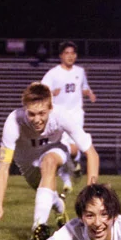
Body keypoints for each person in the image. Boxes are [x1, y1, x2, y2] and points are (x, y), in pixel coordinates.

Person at [0, 82, 100, 240]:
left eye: (42, 113)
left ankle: (38, 227)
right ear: (25, 108)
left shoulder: (61, 115)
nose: (37, 119)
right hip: (27, 161)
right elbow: (3, 168)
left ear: (50, 108)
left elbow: (92, 154)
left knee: (49, 162)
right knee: (46, 193)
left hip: (55, 150)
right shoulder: (13, 121)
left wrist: (91, 196)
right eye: (31, 114)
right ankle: (58, 206)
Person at [41, 41, 96, 194]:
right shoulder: (53, 73)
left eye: (73, 53)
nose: (70, 56)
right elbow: (41, 90)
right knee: (63, 148)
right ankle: (67, 181)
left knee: (73, 149)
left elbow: (84, 87)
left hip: (76, 115)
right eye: (67, 53)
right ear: (61, 55)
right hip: (58, 115)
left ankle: (74, 162)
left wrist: (89, 93)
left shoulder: (80, 71)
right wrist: (52, 93)